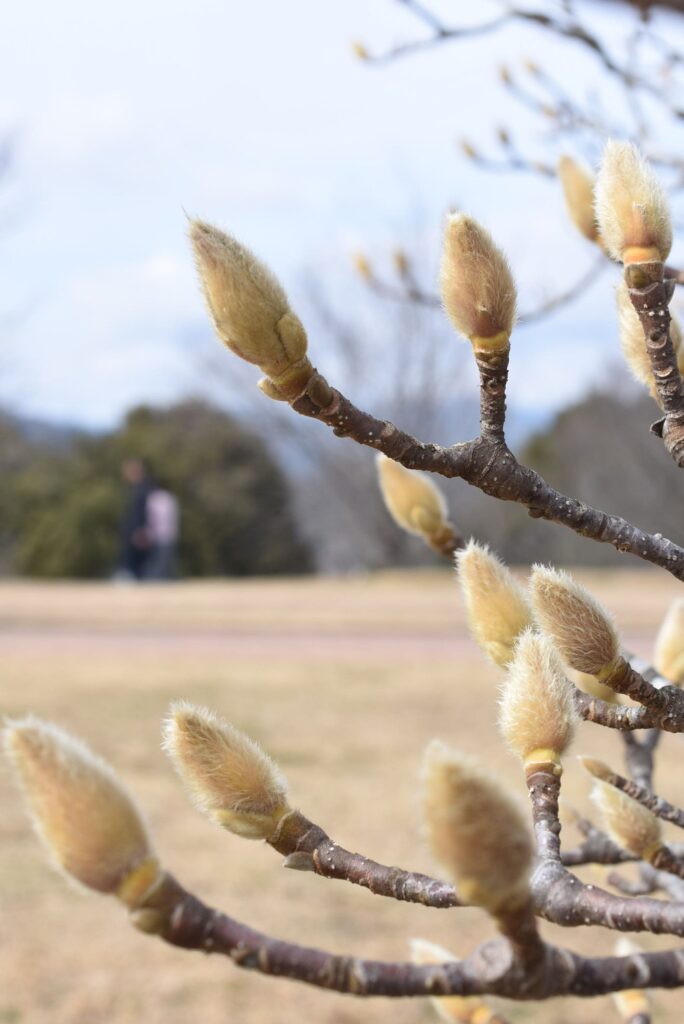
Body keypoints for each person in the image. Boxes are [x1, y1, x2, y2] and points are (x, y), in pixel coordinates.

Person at [118, 458, 153, 580]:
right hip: (132, 530)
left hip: (137, 530)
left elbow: (141, 513)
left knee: (136, 561)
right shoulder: (136, 489)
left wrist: (139, 530)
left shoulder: (142, 490)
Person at [144, 485, 179, 580]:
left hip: (157, 535)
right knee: (165, 562)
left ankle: (157, 580)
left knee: (157, 562)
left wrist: (149, 534)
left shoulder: (152, 499)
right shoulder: (170, 498)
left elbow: (151, 519)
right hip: (167, 535)